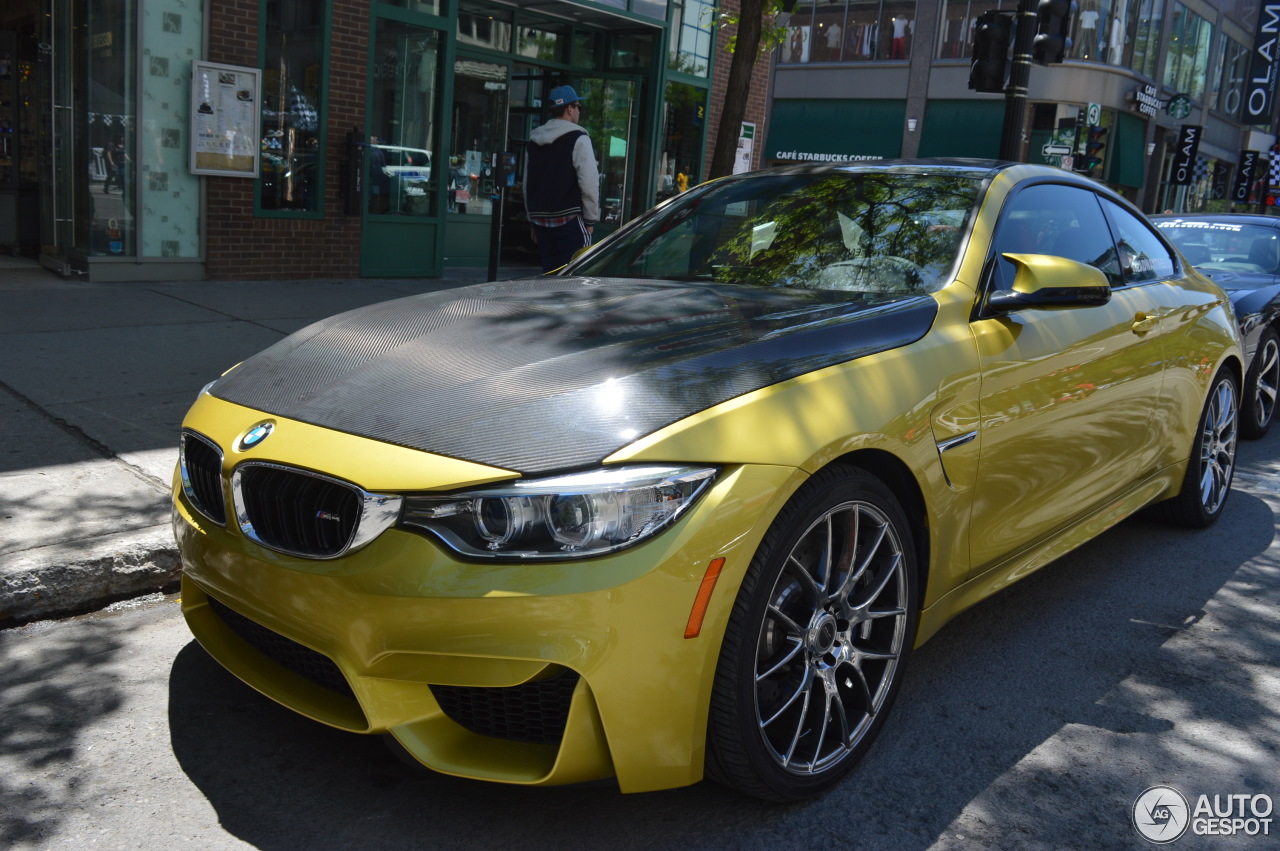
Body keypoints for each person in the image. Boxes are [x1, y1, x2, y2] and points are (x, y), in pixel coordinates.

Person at [525, 85, 600, 272]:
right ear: (569, 109)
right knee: (576, 278)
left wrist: (532, 219)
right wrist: (590, 221)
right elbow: (589, 183)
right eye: (578, 107)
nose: (578, 111)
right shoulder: (578, 138)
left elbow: (528, 183)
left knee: (550, 279)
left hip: (541, 221)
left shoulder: (534, 140)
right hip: (570, 221)